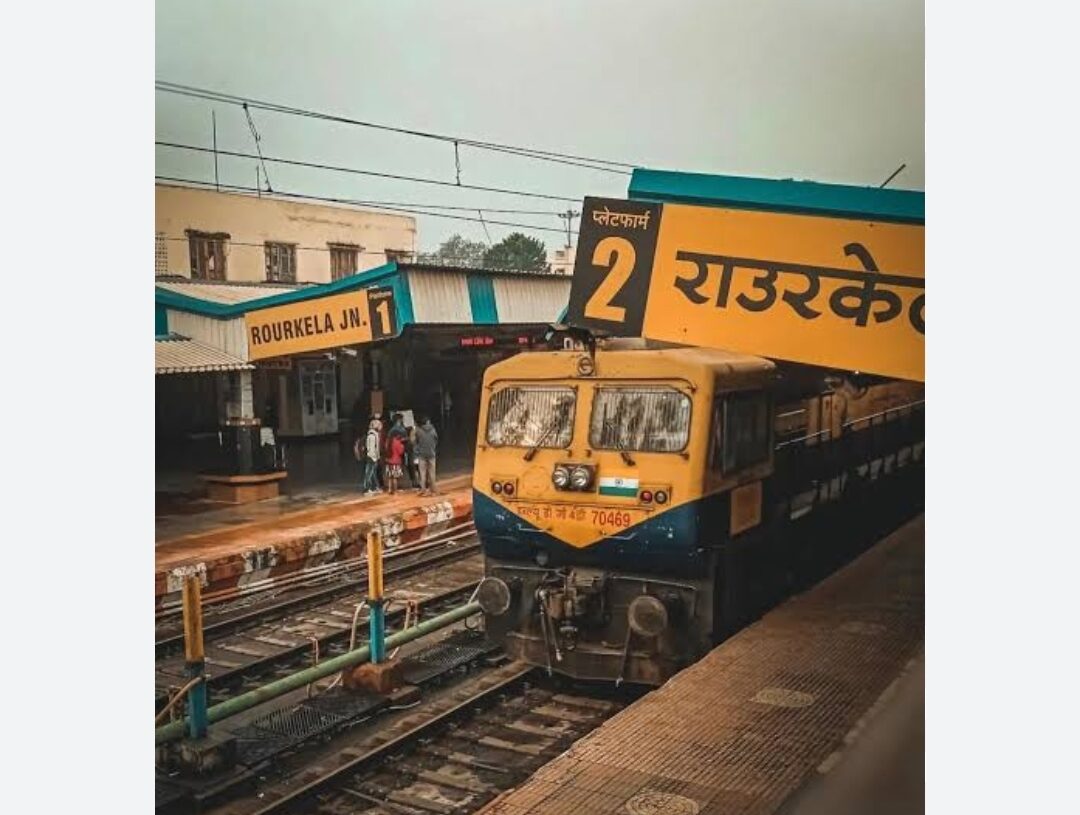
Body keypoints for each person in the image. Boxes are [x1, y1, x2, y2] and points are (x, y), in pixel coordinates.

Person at [414, 415, 439, 496]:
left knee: (422, 473)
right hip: (432, 454)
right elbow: (436, 440)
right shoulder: (433, 430)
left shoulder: (418, 431)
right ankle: (433, 491)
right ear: (428, 422)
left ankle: (423, 490)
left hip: (422, 455)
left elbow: (416, 441)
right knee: (432, 473)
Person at [357, 418, 381, 495]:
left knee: (373, 473)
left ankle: (375, 487)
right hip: (371, 457)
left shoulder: (374, 434)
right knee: (369, 473)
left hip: (373, 457)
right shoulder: (372, 436)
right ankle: (366, 489)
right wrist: (374, 457)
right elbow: (371, 448)